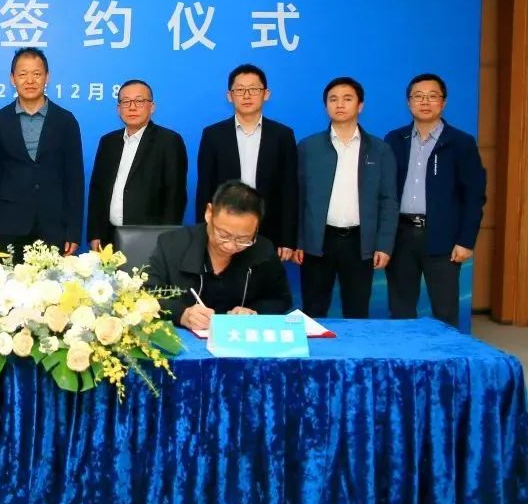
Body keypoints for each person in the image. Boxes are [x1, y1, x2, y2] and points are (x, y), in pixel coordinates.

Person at [384, 73, 486, 327]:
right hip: (401, 236)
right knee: (400, 309)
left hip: (443, 237)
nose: (425, 102)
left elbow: (474, 196)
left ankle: (445, 354)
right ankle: (404, 352)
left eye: (432, 96)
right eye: (418, 96)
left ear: (444, 102)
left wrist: (466, 241)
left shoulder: (460, 142)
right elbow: (383, 191)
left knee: (445, 311)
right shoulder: (394, 139)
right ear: (409, 102)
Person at [295, 77, 397, 318]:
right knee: (313, 310)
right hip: (318, 242)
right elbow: (298, 198)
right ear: (326, 106)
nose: (339, 104)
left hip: (359, 242)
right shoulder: (308, 147)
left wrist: (384, 245)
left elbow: (388, 201)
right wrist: (299, 241)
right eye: (333, 99)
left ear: (360, 105)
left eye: (347, 99)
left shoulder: (380, 150)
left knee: (357, 311)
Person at [146, 180, 292, 330]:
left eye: (243, 239)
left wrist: (254, 312)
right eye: (223, 235)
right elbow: (146, 294)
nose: (230, 246)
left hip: (237, 339)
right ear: (209, 213)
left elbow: (280, 299)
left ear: (256, 227)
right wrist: (181, 314)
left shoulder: (264, 251)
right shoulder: (172, 245)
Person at [0, 47, 84, 256]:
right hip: (9, 225)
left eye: (37, 74)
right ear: (12, 79)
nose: (30, 80)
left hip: (53, 225)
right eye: (23, 74)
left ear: (47, 77)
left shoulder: (66, 120)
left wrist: (74, 231)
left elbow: (75, 180)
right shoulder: (0, 119)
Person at [195, 63, 298, 260]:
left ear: (266, 94)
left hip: (269, 228)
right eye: (240, 90)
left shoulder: (282, 135)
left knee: (264, 278)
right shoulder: (213, 135)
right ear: (229, 96)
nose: (247, 95)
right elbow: (204, 189)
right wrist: (204, 234)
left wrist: (288, 239)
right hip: (224, 229)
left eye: (254, 89)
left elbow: (289, 190)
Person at [87, 79, 187, 251]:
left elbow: (175, 196)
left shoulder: (169, 141)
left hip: (150, 239)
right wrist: (95, 233)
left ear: (152, 106)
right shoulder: (108, 142)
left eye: (139, 101)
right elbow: (97, 190)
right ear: (118, 108)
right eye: (126, 102)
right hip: (108, 237)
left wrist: (165, 240)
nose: (132, 107)